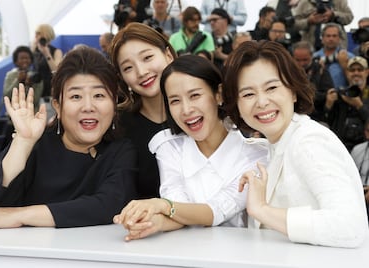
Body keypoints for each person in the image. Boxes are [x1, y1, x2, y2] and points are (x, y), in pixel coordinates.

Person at [0, 47, 138, 229]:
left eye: (99, 95)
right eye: (76, 96)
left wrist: (21, 215)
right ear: (58, 106)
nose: (88, 106)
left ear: (114, 103)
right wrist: (23, 141)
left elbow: (109, 204)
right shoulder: (35, 145)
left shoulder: (121, 151)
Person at [222, 40, 368, 248]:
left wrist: (262, 209)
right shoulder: (276, 143)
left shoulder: (309, 141)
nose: (262, 101)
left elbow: (350, 227)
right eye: (248, 94)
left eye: (271, 87)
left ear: (292, 90)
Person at [113, 55, 268, 241]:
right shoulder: (168, 146)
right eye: (175, 101)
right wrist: (152, 222)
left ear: (218, 95)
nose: (186, 110)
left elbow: (216, 211)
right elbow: (179, 207)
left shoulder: (256, 156)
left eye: (195, 96)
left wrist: (160, 206)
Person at [110, 22, 176, 199]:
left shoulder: (197, 115)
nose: (141, 72)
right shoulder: (117, 125)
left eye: (147, 58)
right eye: (128, 68)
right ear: (122, 78)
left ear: (168, 55)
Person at [325, 56, 369, 151]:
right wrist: (328, 105)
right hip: (341, 147)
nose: (356, 73)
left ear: (367, 72)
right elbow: (327, 122)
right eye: (352, 70)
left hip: (364, 148)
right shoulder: (341, 95)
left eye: (360, 69)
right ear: (347, 73)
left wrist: (359, 106)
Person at [291, 40, 334, 122]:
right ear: (293, 57)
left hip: (316, 117)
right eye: (298, 60)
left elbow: (329, 93)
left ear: (311, 56)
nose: (301, 64)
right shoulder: (288, 71)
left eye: (305, 60)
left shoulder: (321, 70)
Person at [313, 23, 354, 89]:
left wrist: (344, 66)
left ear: (339, 39)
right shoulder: (314, 57)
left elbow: (354, 82)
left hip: (342, 95)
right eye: (328, 36)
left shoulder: (349, 57)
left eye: (334, 36)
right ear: (322, 38)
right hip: (319, 96)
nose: (331, 39)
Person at [3, 46, 43, 112]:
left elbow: (35, 100)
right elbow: (7, 95)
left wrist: (29, 86)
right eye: (21, 58)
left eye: (27, 58)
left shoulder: (36, 77)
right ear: (16, 61)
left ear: (31, 60)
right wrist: (18, 81)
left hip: (32, 114)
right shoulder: (10, 75)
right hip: (14, 114)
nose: (25, 60)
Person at [31, 24, 63, 101]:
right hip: (36, 91)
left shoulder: (56, 51)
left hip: (49, 93)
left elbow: (56, 71)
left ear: (46, 35)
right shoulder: (34, 51)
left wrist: (47, 54)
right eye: (35, 33)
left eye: (38, 33)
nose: (36, 36)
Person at [350, 119, 369, 220]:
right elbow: (350, 176)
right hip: (358, 194)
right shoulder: (357, 149)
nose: (367, 135)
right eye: (367, 131)